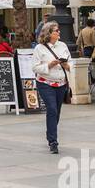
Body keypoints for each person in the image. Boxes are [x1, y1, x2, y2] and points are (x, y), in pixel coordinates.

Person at [32, 21, 72, 154]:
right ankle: (53, 141)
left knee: (57, 112)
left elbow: (70, 63)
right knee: (52, 109)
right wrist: (49, 65)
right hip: (45, 83)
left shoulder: (63, 46)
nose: (59, 32)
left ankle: (50, 131)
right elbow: (35, 68)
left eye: (58, 30)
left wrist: (66, 65)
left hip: (61, 83)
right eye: (56, 30)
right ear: (48, 33)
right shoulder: (39, 48)